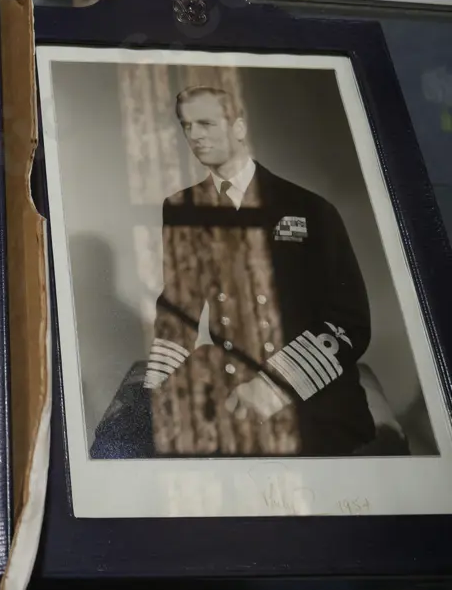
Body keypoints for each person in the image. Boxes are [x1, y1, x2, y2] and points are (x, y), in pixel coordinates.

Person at [140, 85, 376, 457]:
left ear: (238, 126)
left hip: (309, 393)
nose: (195, 136)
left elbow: (349, 321)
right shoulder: (181, 207)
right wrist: (155, 386)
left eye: (206, 123)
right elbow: (179, 304)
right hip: (229, 386)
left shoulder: (310, 208)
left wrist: (271, 387)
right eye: (187, 126)